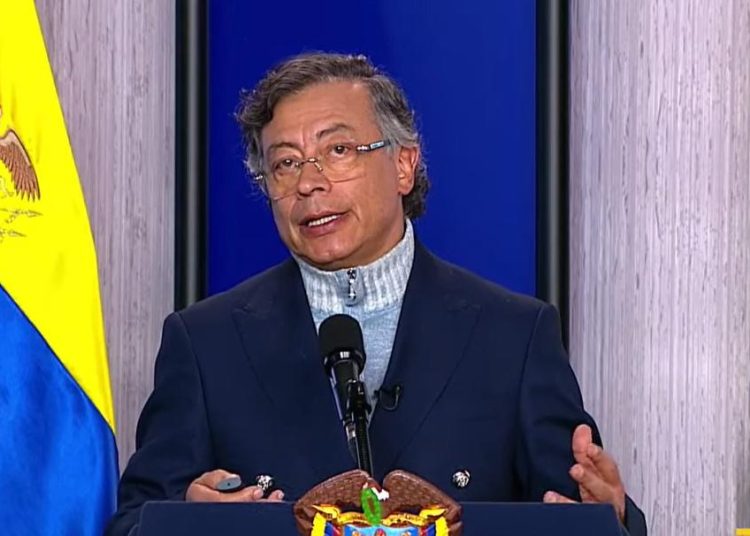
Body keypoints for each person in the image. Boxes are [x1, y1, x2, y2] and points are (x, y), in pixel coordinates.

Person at [106, 52, 646, 535]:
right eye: (285, 163)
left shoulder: (514, 335)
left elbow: (573, 513)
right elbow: (133, 522)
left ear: (404, 165)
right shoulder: (206, 343)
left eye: (338, 150)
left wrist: (611, 517)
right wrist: (184, 521)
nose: (308, 183)